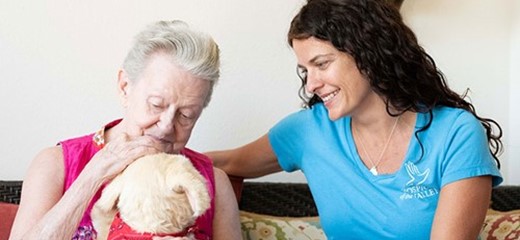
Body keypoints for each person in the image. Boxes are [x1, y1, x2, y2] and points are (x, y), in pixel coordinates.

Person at [207, 0, 503, 239]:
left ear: (368, 53)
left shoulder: (456, 134)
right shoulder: (309, 130)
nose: (311, 84)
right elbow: (223, 165)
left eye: (321, 64)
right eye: (305, 70)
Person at [10, 20, 241, 240]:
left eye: (186, 115)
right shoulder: (56, 163)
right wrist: (93, 175)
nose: (166, 126)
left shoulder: (213, 183)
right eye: (156, 105)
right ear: (124, 87)